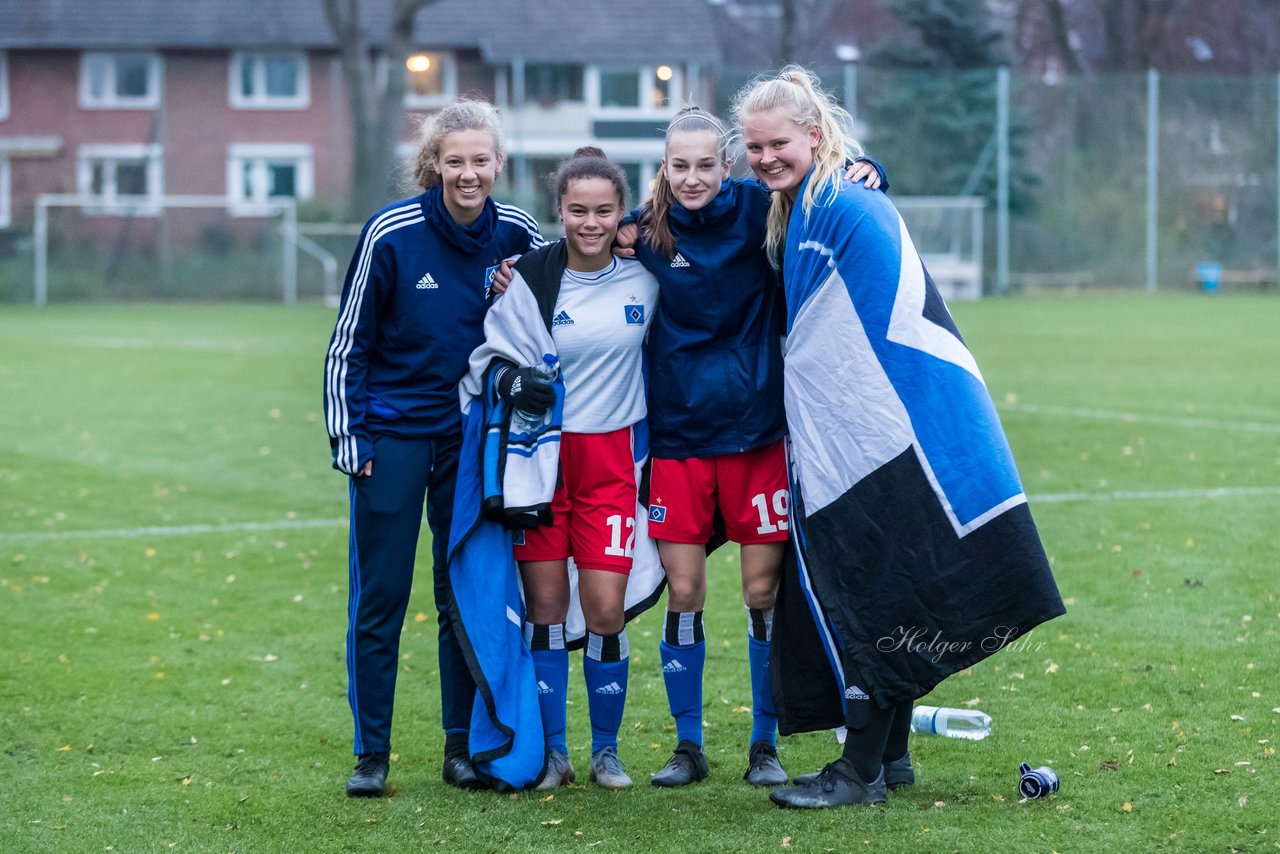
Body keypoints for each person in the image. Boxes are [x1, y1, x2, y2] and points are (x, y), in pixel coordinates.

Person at [732, 66, 1064, 809]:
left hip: (883, 436)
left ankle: (859, 772)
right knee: (889, 580)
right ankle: (892, 757)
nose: (763, 158)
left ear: (813, 137)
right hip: (873, 434)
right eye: (752, 147)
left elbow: (865, 332)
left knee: (872, 584)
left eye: (777, 143)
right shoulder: (808, 207)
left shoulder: (844, 206)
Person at [613, 106, 884, 789]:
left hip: (758, 437)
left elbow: (831, 186)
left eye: (707, 164)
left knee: (762, 592)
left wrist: (876, 170)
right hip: (679, 441)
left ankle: (765, 746)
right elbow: (572, 246)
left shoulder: (763, 211)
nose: (694, 176)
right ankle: (688, 746)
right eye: (681, 166)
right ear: (665, 170)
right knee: (685, 590)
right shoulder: (644, 233)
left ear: (725, 167)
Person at [323, 98, 544, 798]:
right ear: (434, 164)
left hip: (471, 440)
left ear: (498, 163)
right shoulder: (390, 234)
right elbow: (347, 344)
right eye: (456, 161)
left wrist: (526, 286)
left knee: (463, 597)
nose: (469, 172)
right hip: (389, 438)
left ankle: (460, 748)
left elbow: (586, 268)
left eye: (481, 160)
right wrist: (349, 437)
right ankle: (372, 755)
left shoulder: (519, 233)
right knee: (381, 597)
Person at [463, 147, 662, 791]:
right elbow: (485, 362)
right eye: (578, 210)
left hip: (611, 462)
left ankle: (606, 750)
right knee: (545, 608)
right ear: (560, 211)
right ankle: (554, 753)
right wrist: (515, 379)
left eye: (604, 210)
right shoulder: (529, 279)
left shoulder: (646, 276)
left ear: (620, 212)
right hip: (541, 463)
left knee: (605, 608)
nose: (591, 223)